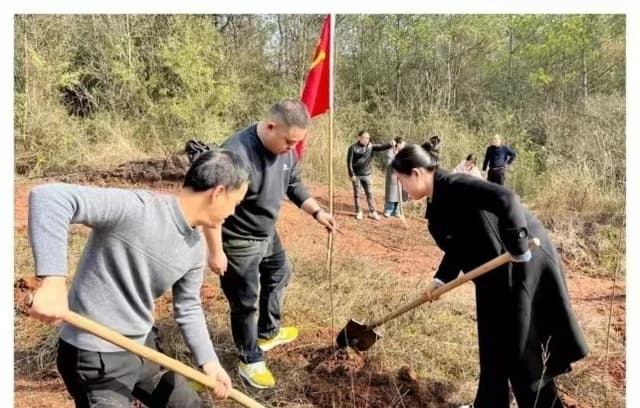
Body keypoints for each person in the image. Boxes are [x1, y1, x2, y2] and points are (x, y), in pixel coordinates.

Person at [27, 149, 250, 407]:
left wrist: (210, 362)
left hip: (142, 348)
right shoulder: (137, 209)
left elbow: (188, 307)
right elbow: (49, 198)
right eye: (235, 203)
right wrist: (52, 282)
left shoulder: (194, 247)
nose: (232, 212)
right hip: (96, 358)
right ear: (218, 193)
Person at [390, 144, 588, 408]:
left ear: (415, 173)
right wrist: (440, 280)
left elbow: (507, 199)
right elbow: (459, 244)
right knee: (493, 341)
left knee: (520, 348)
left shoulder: (457, 184)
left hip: (521, 266)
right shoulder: (438, 198)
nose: (402, 189)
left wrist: (518, 247)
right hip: (493, 273)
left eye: (401, 181)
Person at [204, 99, 337, 389]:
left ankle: (268, 332)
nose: (291, 148)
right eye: (289, 141)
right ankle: (249, 359)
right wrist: (216, 252)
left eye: (297, 143)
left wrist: (318, 211)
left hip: (266, 232)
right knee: (245, 301)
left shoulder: (287, 151)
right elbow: (210, 209)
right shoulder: (235, 156)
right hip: (238, 239)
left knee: (280, 273)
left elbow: (294, 183)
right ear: (270, 126)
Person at [346, 130, 393, 220]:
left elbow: (381, 147)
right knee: (357, 194)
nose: (366, 140)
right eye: (364, 138)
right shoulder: (352, 148)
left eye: (367, 138)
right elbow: (349, 162)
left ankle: (373, 212)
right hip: (356, 175)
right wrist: (351, 174)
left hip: (367, 174)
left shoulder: (370, 146)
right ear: (359, 138)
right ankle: (359, 212)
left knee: (370, 193)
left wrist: (390, 144)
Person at [383, 136, 407, 217]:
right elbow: (389, 164)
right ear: (398, 144)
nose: (403, 146)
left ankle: (396, 211)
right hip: (392, 176)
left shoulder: (404, 153)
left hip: (402, 177)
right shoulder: (391, 151)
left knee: (400, 193)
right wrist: (395, 152)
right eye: (402, 144)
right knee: (392, 193)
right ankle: (389, 210)